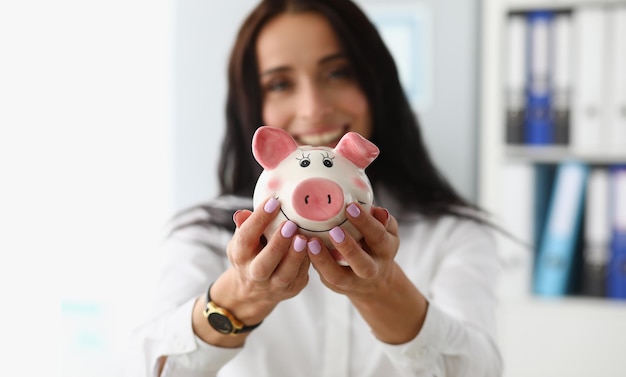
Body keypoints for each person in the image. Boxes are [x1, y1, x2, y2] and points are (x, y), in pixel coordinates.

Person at [124, 0, 503, 376]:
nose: (313, 108)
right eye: (281, 84)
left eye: (338, 73)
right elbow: (149, 368)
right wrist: (241, 295)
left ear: (376, 84)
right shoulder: (204, 239)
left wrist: (383, 291)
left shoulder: (455, 236)